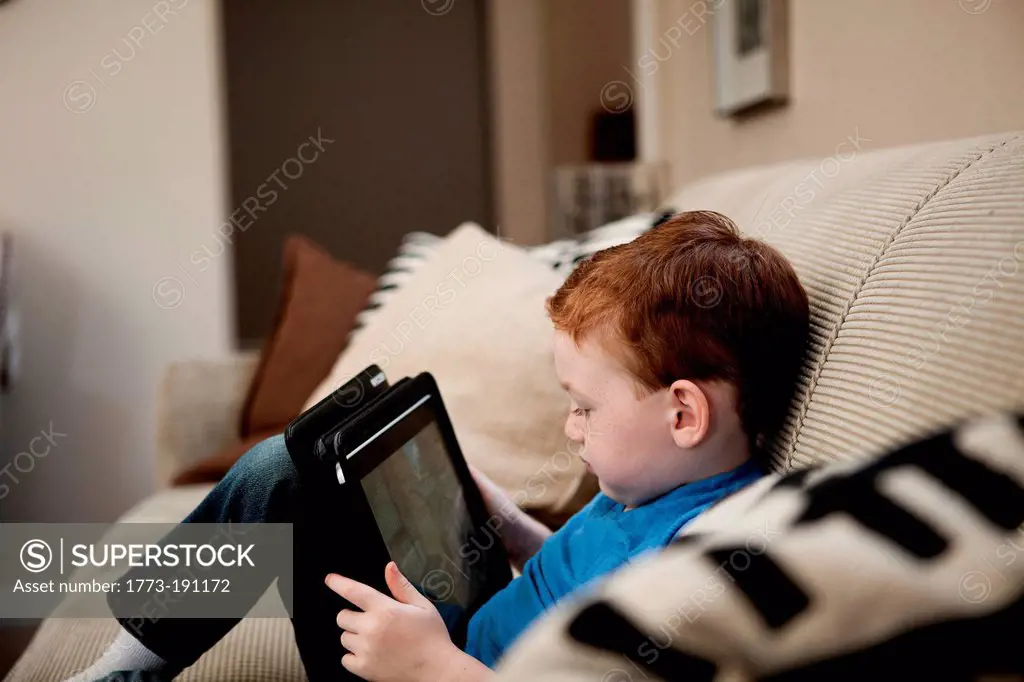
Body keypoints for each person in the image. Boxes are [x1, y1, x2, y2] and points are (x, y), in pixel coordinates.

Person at [68, 210, 809, 682]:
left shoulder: (696, 559)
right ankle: (138, 657)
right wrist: (515, 531)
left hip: (438, 669)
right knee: (314, 464)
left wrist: (432, 665)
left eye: (584, 407)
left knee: (277, 471)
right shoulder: (648, 485)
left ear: (683, 415)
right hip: (462, 626)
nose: (570, 428)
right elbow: (578, 580)